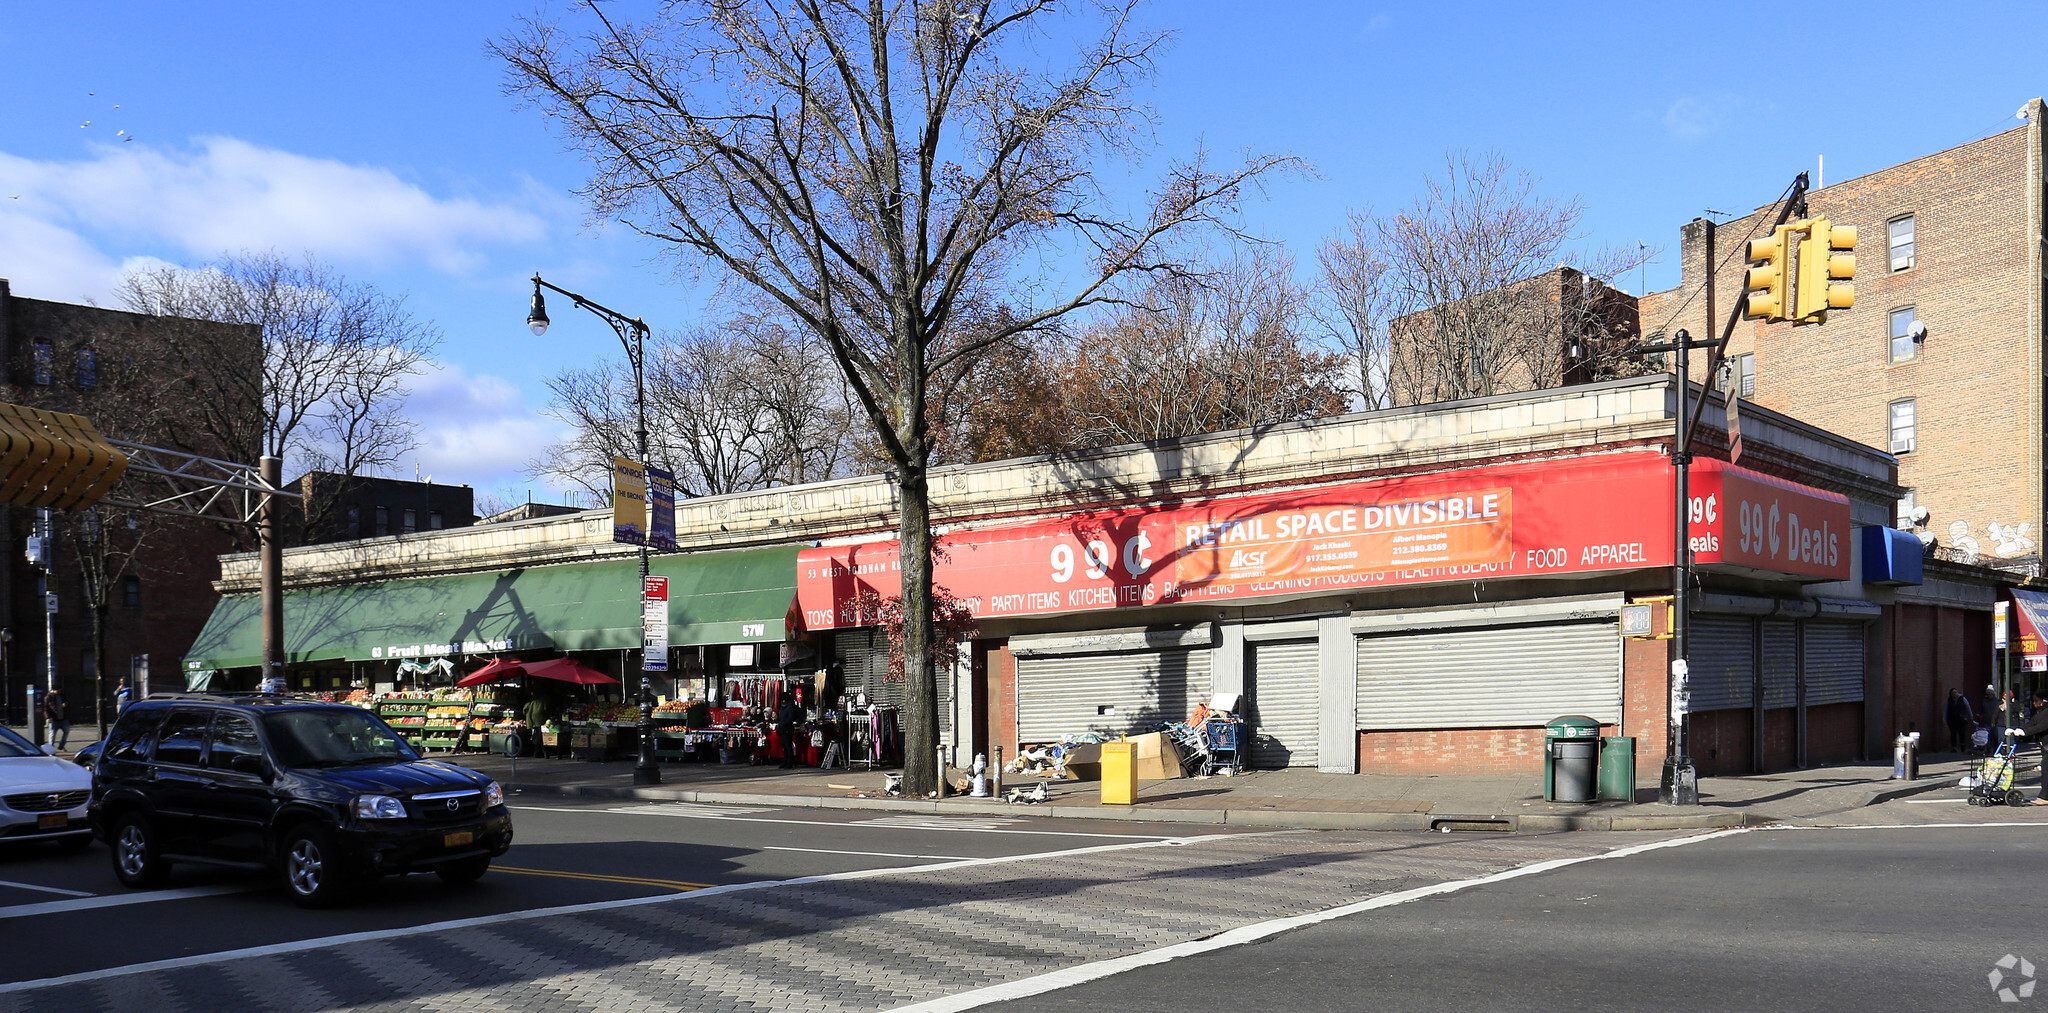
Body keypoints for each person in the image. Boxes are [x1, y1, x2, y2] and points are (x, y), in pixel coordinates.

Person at [2019, 691, 2048, 805]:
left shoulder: (2046, 712)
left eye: (2036, 701)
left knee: (2046, 771)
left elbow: (2041, 727)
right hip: (2045, 746)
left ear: (2043, 701)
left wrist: (2025, 732)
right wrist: (2018, 729)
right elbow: (2032, 723)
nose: (2034, 703)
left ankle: (2045, 797)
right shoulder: (2040, 712)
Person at [1945, 688, 1976, 753]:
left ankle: (1962, 747)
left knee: (1962, 733)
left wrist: (1971, 717)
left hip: (1961, 719)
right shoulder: (1949, 700)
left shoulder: (1962, 699)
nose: (1954, 694)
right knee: (1953, 734)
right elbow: (1946, 709)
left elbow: (1968, 708)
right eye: (1953, 693)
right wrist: (1944, 718)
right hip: (1952, 720)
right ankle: (1954, 747)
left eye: (1955, 692)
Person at [775, 695, 800, 769]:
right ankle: (785, 761)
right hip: (782, 729)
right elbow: (780, 719)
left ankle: (790, 762)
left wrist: (784, 725)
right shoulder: (782, 708)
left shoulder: (790, 707)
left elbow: (790, 718)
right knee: (785, 747)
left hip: (787, 729)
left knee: (788, 747)